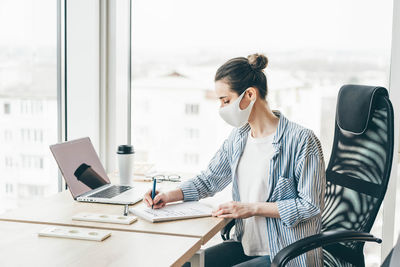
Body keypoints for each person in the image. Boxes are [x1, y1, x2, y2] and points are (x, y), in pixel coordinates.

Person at [143, 53, 326, 267]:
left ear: (249, 94)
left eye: (226, 100)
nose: (222, 108)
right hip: (245, 245)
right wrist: (168, 195)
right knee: (185, 265)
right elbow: (209, 179)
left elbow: (310, 206)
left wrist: (252, 208)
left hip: (286, 253)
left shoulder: (302, 141)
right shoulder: (239, 137)